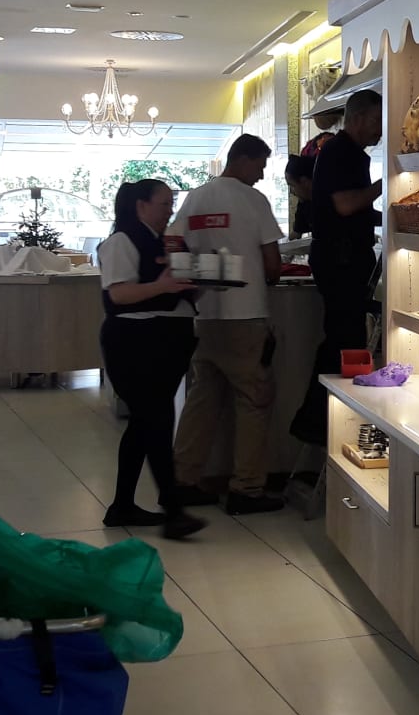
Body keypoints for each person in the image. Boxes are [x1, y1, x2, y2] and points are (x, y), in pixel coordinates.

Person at [168, 134, 287, 515]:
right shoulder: (253, 200)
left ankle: (183, 480)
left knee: (202, 400)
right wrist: (266, 275)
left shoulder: (195, 198)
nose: (262, 174)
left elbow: (173, 244)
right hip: (246, 315)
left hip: (204, 316)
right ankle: (246, 489)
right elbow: (272, 264)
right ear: (243, 159)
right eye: (260, 165)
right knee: (253, 400)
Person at [96, 180, 205, 540]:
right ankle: (173, 511)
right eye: (164, 204)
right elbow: (119, 294)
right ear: (141, 206)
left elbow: (176, 290)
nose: (170, 211)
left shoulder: (166, 242)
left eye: (172, 204)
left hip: (165, 341)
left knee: (145, 423)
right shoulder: (121, 241)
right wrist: (163, 286)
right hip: (136, 342)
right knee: (155, 421)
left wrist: (199, 282)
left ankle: (122, 506)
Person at [289, 89, 383, 446]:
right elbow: (345, 205)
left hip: (340, 258)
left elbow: (349, 208)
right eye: (376, 121)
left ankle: (325, 421)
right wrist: (386, 185)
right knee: (345, 340)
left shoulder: (344, 153)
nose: (379, 130)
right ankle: (326, 421)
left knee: (344, 337)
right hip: (342, 260)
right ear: (357, 118)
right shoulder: (342, 152)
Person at [285, 154, 316, 239]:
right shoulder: (303, 203)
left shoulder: (332, 203)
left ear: (305, 182)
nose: (291, 191)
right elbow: (296, 234)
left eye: (292, 185)